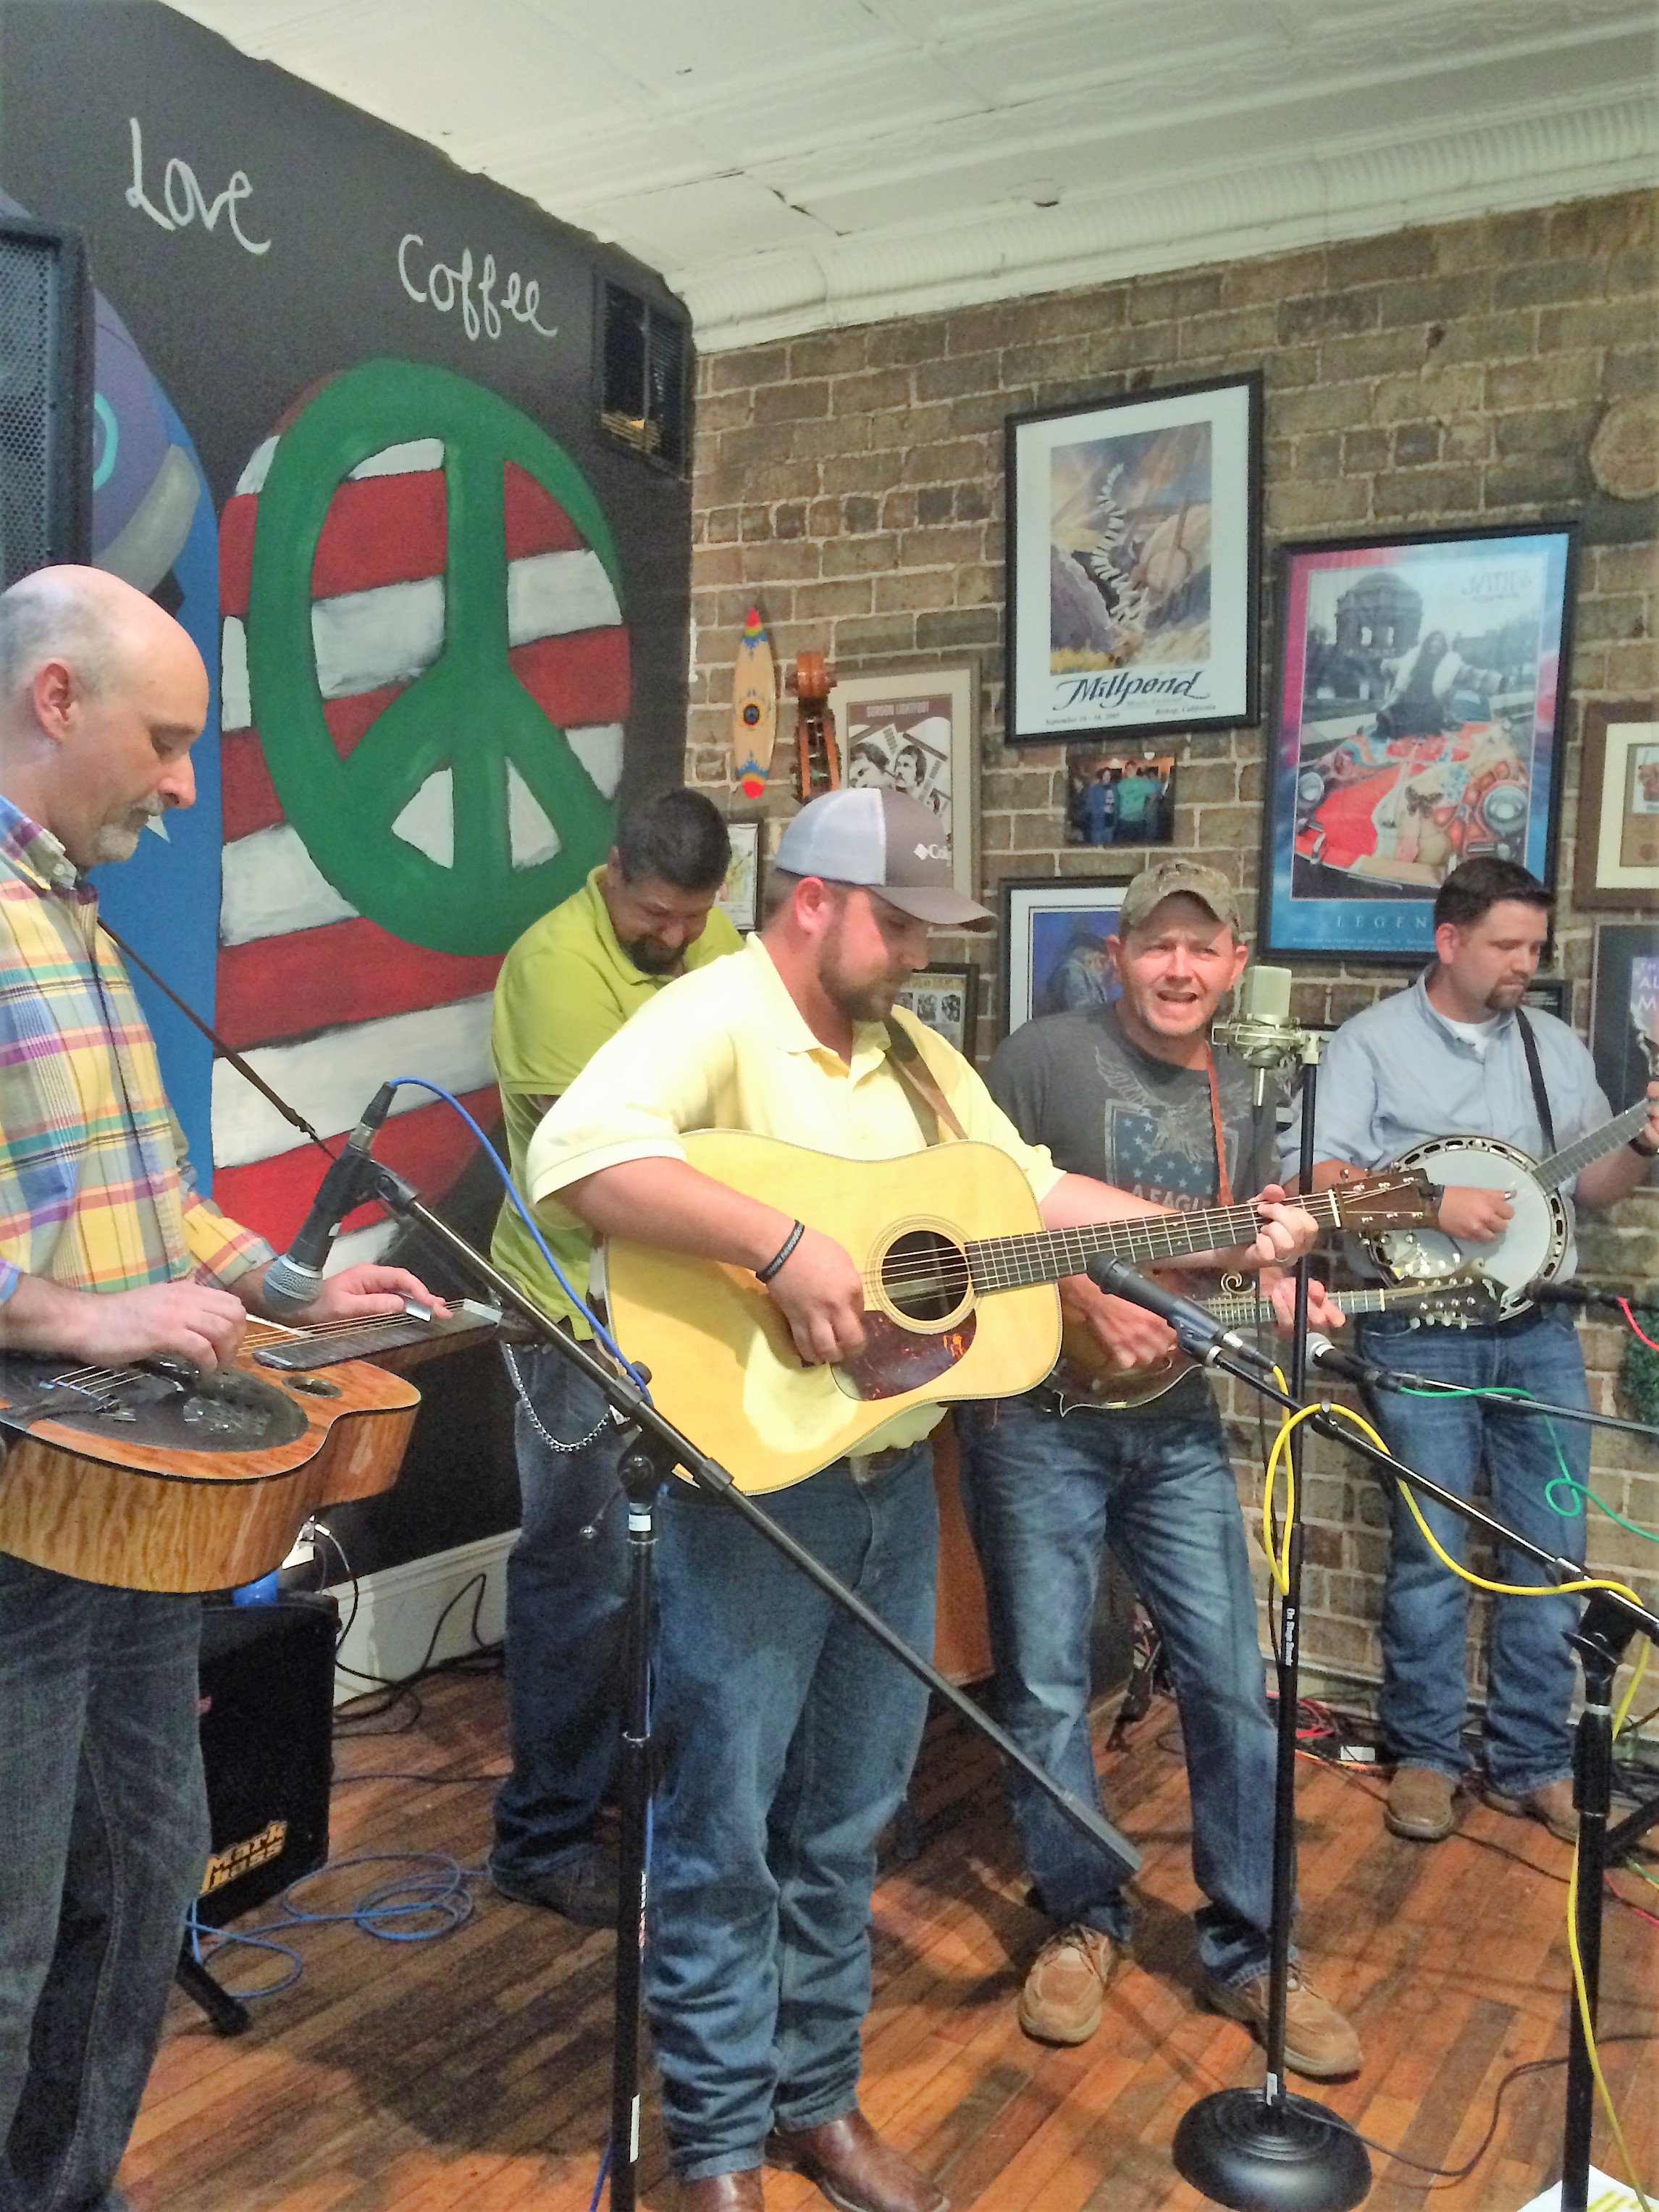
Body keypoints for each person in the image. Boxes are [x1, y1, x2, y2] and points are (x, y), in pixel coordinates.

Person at [521, 793, 1319, 2212]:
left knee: (846, 1822)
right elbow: (576, 1159)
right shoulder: (716, 1015)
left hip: (890, 1484)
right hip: (755, 1499)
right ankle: (716, 2144)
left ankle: (818, 2099)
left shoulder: (917, 1058)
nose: (914, 955)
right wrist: (782, 1246)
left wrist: (1225, 1234)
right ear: (812, 901)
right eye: (895, 924)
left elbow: (1027, 1189)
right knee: (722, 1830)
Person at [0, 565, 443, 2212]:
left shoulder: (74, 921)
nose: (189, 786)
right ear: (57, 700)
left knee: (141, 1882)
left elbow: (156, 1199)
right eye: (169, 741)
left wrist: (291, 1288)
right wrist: (78, 1315)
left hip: (131, 1520)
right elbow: (88, 1278)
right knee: (7, 1936)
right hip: (20, 1523)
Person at [954, 859, 1362, 2079]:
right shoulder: (1041, 1057)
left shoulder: (1244, 1091)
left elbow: (1219, 1257)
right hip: (1037, 1418)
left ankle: (1253, 1947)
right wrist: (1083, 1296)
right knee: (1043, 1686)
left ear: (1234, 963)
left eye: (1202, 949)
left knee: (1232, 1684)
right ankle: (1082, 1915)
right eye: (1157, 946)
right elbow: (967, 1212)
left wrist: (1277, 1285)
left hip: (1176, 1421)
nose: (1179, 970)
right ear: (1119, 954)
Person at [1290, 857, 1659, 1846]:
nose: (1524, 964)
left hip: (1538, 1330)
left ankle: (1533, 1761)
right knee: (1435, 1550)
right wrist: (1431, 1203)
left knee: (1553, 1550)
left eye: (1535, 947)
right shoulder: (1370, 1044)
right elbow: (1317, 1179)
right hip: (1420, 1331)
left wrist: (1640, 1142)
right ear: (1449, 940)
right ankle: (1425, 1756)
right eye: (1506, 945)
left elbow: (1593, 1193)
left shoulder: (1553, 1048)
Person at [487, 788, 740, 1923]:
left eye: (694, 917)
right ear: (613, 871)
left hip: (684, 1301)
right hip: (571, 1311)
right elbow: (609, 1167)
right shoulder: (554, 967)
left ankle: (649, 1809)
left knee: (684, 1571)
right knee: (579, 1576)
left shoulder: (718, 939)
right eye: (655, 916)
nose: (676, 938)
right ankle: (541, 1839)